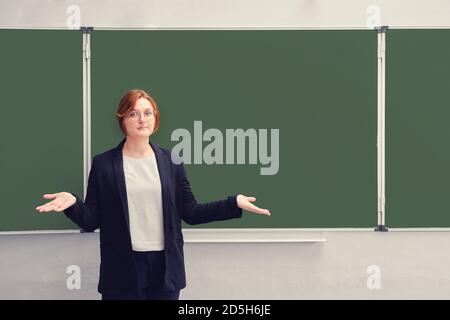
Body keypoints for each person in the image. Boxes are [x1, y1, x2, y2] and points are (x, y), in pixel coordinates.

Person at [35, 89, 271, 300]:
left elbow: (191, 212)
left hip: (164, 268)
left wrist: (234, 204)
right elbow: (91, 220)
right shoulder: (104, 164)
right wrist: (72, 204)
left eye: (148, 113)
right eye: (133, 113)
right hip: (122, 269)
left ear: (155, 118)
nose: (141, 119)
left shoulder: (171, 161)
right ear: (123, 120)